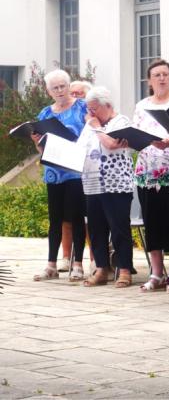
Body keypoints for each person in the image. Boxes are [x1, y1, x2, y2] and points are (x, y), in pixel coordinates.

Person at [133, 59, 169, 293]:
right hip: (147, 173)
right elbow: (137, 135)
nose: (161, 78)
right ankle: (156, 272)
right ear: (150, 80)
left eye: (165, 74)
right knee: (152, 223)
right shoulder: (142, 105)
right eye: (156, 74)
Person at [31, 69, 88, 282]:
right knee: (55, 219)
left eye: (63, 86)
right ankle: (51, 265)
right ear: (49, 91)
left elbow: (89, 134)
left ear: (68, 85)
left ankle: (78, 264)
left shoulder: (82, 106)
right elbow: (41, 150)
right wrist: (37, 142)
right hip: (54, 172)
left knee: (76, 217)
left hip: (74, 170)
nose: (60, 91)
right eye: (55, 88)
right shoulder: (45, 114)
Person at [79, 87, 136, 288]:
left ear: (108, 105)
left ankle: (125, 270)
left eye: (94, 109)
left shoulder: (121, 122)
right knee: (96, 229)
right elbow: (80, 148)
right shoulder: (91, 124)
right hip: (92, 184)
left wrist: (95, 126)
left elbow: (111, 144)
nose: (91, 113)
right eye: (89, 110)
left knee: (119, 228)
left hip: (116, 184)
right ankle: (101, 268)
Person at [57, 81, 92, 272]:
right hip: (66, 171)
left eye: (80, 93)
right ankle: (65, 257)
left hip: (89, 171)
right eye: (74, 93)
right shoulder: (63, 112)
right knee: (67, 217)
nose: (76, 96)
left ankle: (96, 259)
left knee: (89, 218)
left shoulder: (91, 113)